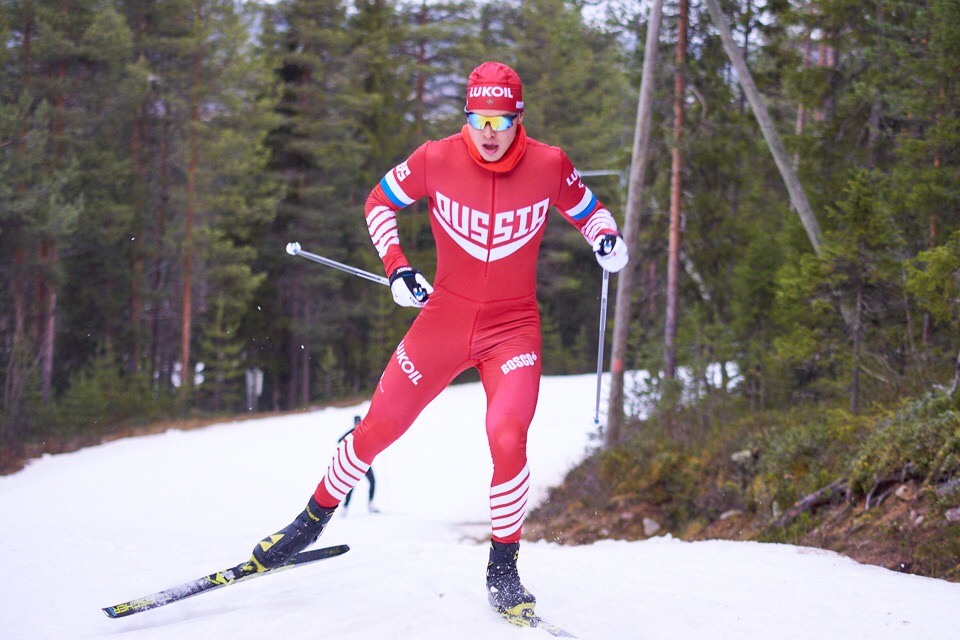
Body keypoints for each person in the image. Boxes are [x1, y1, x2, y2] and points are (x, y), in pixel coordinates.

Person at [250, 61, 628, 622]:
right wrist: (399, 269)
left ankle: (504, 571)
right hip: (443, 321)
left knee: (507, 435)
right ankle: (308, 523)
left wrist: (606, 238)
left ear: (517, 117)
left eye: (502, 119)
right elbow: (378, 202)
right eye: (479, 118)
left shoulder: (549, 165)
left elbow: (590, 212)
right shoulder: (435, 157)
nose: (490, 132)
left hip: (511, 329)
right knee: (380, 425)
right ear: (467, 116)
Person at [340, 415, 378, 513]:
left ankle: (371, 504)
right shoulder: (351, 433)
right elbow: (340, 441)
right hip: (355, 464)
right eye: (356, 423)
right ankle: (345, 507)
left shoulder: (365, 432)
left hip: (365, 463)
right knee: (351, 486)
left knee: (373, 482)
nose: (357, 425)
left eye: (359, 423)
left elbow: (374, 439)